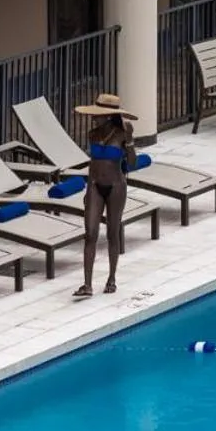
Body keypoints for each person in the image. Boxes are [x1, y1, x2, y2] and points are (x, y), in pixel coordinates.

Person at [70, 93, 138, 298]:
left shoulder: (122, 133)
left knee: (112, 233)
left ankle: (112, 278)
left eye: (98, 115)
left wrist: (130, 142)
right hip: (95, 186)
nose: (94, 118)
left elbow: (132, 163)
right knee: (90, 234)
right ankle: (87, 284)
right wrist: (88, 190)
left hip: (116, 187)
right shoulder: (93, 134)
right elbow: (93, 165)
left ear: (108, 116)